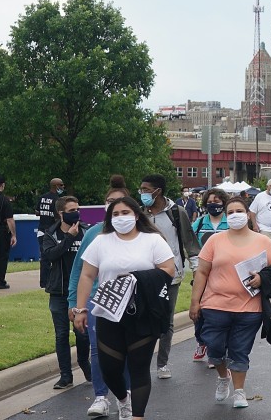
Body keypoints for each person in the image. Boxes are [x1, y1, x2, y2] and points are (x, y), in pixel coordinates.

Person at [73, 196, 176, 420]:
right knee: (109, 369)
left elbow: (169, 269)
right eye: (116, 214)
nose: (121, 218)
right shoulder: (101, 241)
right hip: (109, 313)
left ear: (137, 215)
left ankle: (137, 415)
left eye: (125, 213)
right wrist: (80, 309)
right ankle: (122, 399)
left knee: (139, 369)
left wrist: (136, 278)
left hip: (143, 313)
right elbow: (87, 274)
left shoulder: (153, 240)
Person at [189, 196, 271, 409]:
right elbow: (202, 271)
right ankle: (224, 377)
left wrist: (262, 278)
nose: (234, 215)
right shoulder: (215, 241)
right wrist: (195, 302)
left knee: (240, 350)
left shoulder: (262, 241)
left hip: (249, 308)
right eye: (230, 212)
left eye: (239, 211)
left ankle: (239, 392)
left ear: (248, 213)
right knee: (214, 347)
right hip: (215, 305)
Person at [68, 175, 130, 417]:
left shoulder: (141, 234)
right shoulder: (93, 234)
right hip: (97, 301)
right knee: (97, 350)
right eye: (109, 201)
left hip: (129, 302)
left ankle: (125, 396)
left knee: (125, 351)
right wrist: (75, 304)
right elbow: (79, 272)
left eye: (119, 202)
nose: (114, 206)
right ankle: (100, 396)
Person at [139, 174, 201, 380]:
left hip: (170, 275)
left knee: (166, 319)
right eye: (141, 190)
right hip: (144, 275)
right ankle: (142, 361)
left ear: (158, 191)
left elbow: (189, 242)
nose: (143, 194)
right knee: (144, 318)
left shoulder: (177, 212)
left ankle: (162, 363)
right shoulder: (139, 214)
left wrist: (196, 270)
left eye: (146, 190)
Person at [39, 195, 90, 389]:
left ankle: (85, 365)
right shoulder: (50, 234)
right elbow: (50, 255)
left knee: (82, 334)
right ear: (60, 214)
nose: (76, 213)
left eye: (77, 209)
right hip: (59, 291)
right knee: (61, 335)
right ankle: (66, 375)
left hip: (81, 293)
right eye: (71, 211)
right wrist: (68, 238)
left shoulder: (86, 232)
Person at [190, 188, 231, 365]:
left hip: (226, 275)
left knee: (222, 313)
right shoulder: (198, 224)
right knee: (199, 311)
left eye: (217, 201)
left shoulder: (230, 223)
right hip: (203, 274)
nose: (213, 204)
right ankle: (201, 342)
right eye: (210, 201)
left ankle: (219, 350)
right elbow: (190, 245)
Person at [36, 177, 65, 289]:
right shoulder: (58, 200)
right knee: (54, 257)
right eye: (61, 185)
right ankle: (50, 281)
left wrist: (45, 214)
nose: (63, 187)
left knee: (44, 258)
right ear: (56, 186)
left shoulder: (42, 197)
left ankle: (43, 282)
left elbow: (37, 212)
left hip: (41, 231)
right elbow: (58, 217)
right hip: (52, 232)